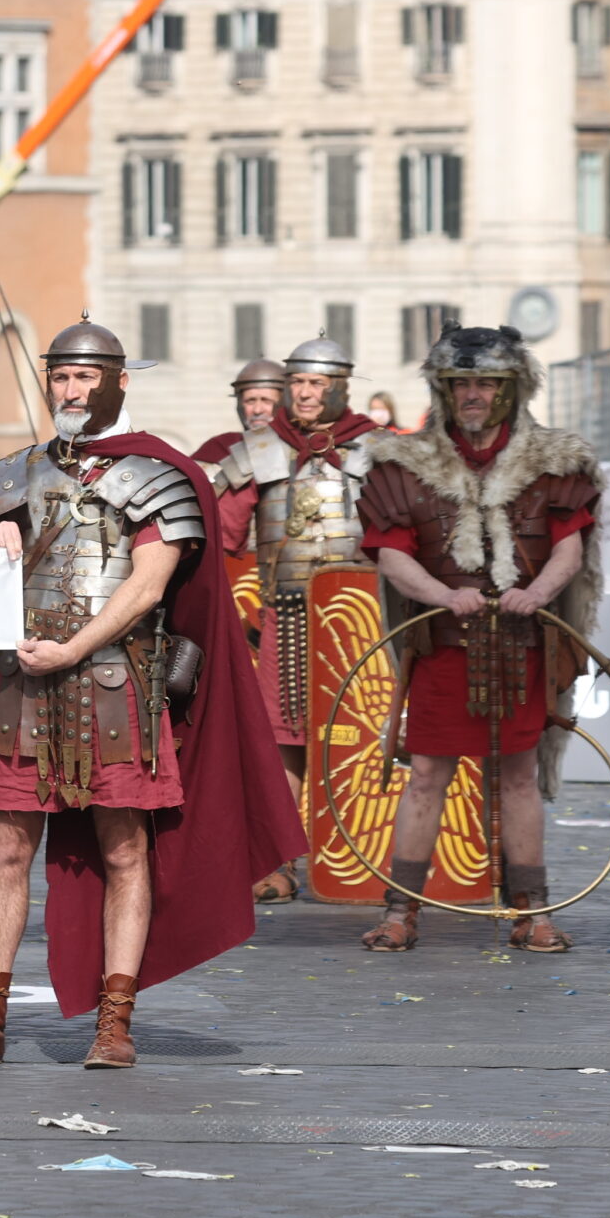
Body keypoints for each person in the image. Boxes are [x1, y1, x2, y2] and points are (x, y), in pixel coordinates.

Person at [0, 319, 302, 1071]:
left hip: (115, 686)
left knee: (125, 849)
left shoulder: (159, 473)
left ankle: (115, 1021)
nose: (70, 390)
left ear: (116, 382)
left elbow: (149, 583)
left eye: (85, 377)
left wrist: (73, 647)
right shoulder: (12, 475)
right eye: (60, 377)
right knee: (7, 850)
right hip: (22, 689)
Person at [355, 325, 601, 954]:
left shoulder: (555, 461)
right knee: (428, 774)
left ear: (509, 390)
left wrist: (537, 593)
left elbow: (569, 551)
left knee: (518, 776)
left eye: (487, 383)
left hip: (522, 647)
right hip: (442, 646)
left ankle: (531, 911)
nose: (473, 394)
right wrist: (444, 594)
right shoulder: (400, 463)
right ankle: (401, 911)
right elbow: (391, 557)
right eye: (462, 382)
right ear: (444, 388)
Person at [208, 337, 383, 903]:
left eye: (317, 385)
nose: (305, 395)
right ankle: (278, 861)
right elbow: (218, 536)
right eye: (298, 384)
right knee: (283, 745)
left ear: (340, 387)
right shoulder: (259, 450)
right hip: (286, 618)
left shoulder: (381, 452)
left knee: (365, 742)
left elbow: (408, 534)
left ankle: (371, 858)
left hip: (361, 623)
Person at [191, 359, 286, 464]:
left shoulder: (299, 447)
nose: (257, 410)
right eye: (250, 401)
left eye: (266, 401)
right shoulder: (219, 448)